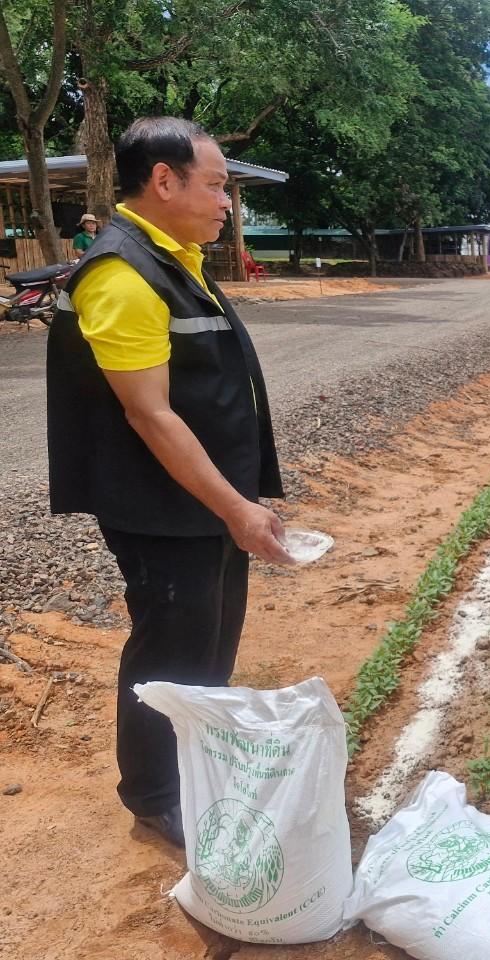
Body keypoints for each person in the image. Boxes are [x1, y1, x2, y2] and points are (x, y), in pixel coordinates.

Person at [46, 117, 292, 848]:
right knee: (170, 655)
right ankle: (155, 796)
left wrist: (236, 505)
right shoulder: (121, 274)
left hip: (205, 504)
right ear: (164, 180)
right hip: (160, 508)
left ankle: (193, 767)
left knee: (209, 645)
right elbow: (150, 416)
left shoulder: (172, 255)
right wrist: (237, 510)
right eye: (215, 185)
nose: (226, 202)